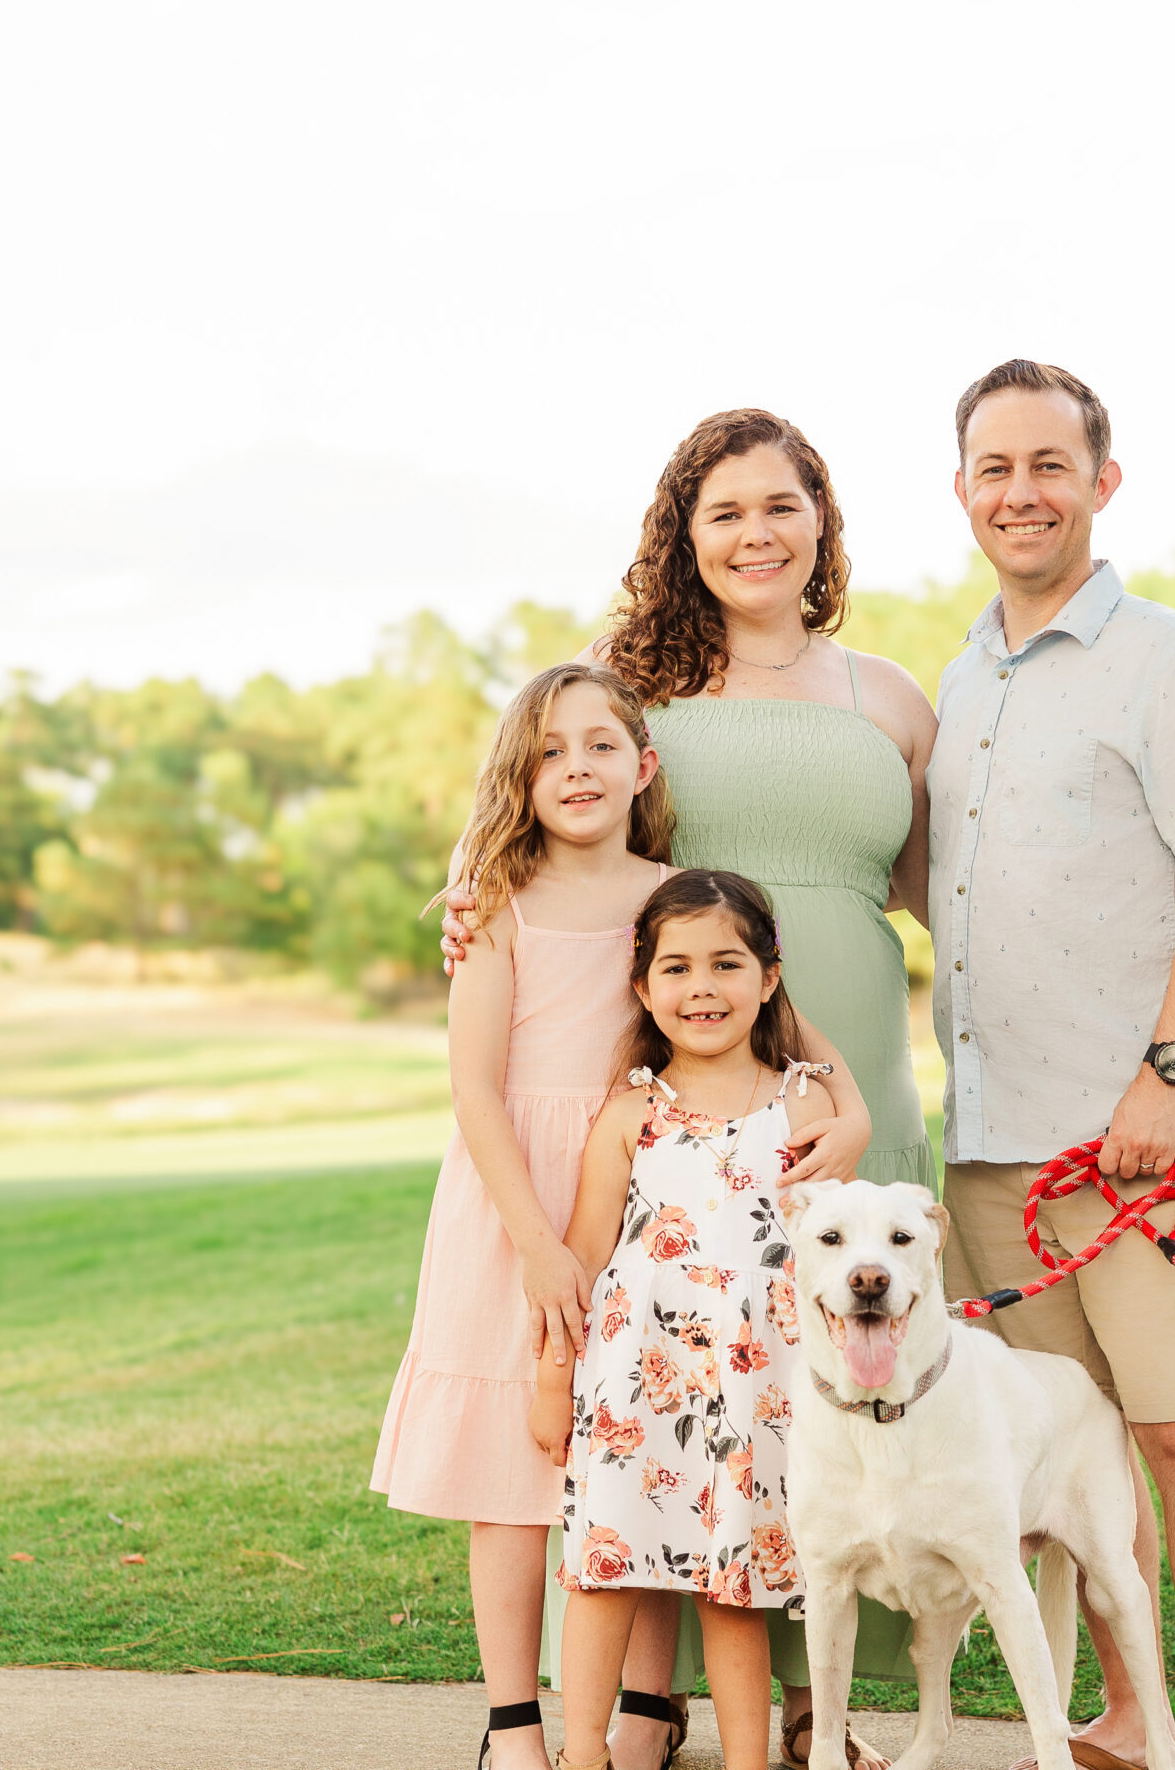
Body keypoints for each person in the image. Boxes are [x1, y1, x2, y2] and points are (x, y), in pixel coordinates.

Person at [442, 407, 936, 1759]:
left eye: (781, 504)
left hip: (841, 1073)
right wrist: (463, 891)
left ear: (821, 520)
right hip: (678, 1085)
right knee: (681, 1381)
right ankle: (645, 1706)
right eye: (723, 511)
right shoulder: (632, 680)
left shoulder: (888, 695)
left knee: (821, 1373)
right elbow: (544, 790)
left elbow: (943, 890)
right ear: (684, 532)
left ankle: (811, 1704)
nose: (755, 532)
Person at [373, 664, 868, 1770]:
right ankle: (516, 1718)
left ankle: (652, 1701)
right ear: (520, 773)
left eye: (600, 745)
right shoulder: (495, 899)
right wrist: (539, 1247)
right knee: (514, 1458)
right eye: (549, 750)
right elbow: (472, 1089)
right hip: (515, 1192)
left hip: (654, 1187)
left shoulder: (677, 888)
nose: (576, 767)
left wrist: (857, 1106)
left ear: (642, 766)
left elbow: (790, 1025)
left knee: (656, 1430)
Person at [929, 361, 1175, 1770]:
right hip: (991, 1143)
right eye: (992, 468)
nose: (1020, 492)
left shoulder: (1169, 659)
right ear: (960, 491)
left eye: (1047, 464)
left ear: (1101, 481)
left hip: (1138, 1144)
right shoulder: (957, 682)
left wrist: (1170, 1073)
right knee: (1072, 1458)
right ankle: (1134, 1716)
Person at [532, 870, 830, 1770]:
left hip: (754, 1388)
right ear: (643, 987)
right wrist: (552, 1381)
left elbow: (828, 1252)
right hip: (634, 1384)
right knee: (604, 1572)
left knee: (734, 1589)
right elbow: (580, 1259)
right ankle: (581, 1755)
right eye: (677, 968)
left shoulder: (805, 1104)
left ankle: (747, 1760)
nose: (702, 987)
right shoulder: (633, 1112)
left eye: (728, 964)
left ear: (770, 978)